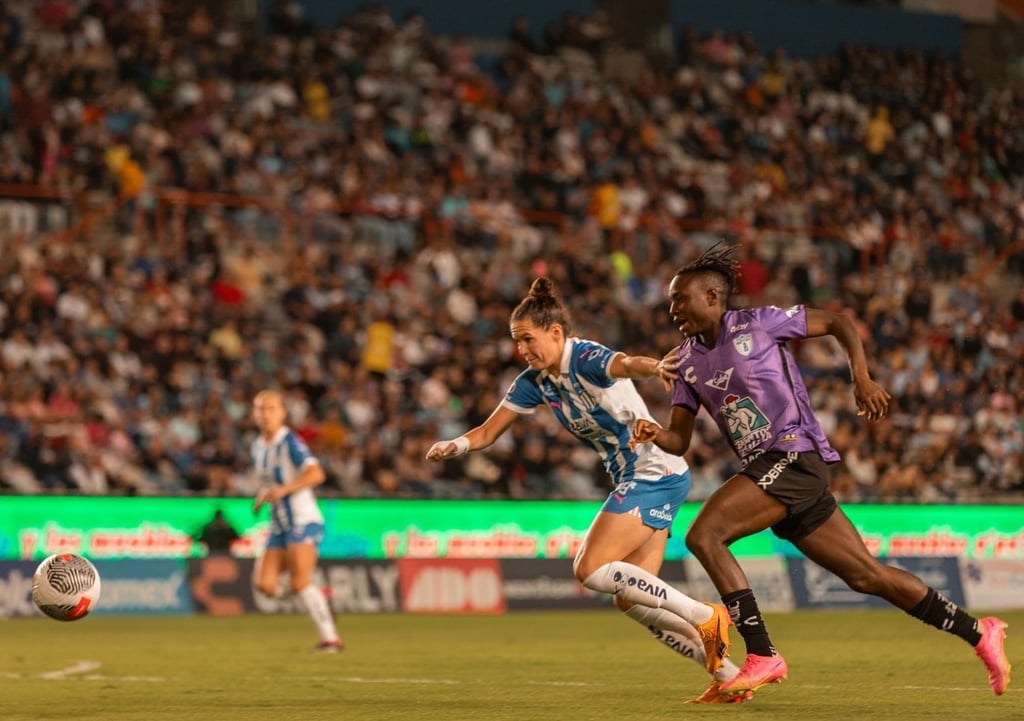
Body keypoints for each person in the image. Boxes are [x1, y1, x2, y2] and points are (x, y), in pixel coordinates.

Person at [632, 243, 1011, 698]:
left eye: (680, 299)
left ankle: (762, 653)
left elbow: (839, 323)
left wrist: (861, 378)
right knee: (867, 576)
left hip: (793, 454)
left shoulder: (758, 323)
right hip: (775, 473)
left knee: (704, 536)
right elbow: (679, 439)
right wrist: (653, 432)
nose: (672, 309)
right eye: (670, 301)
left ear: (712, 297)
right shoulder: (684, 362)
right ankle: (980, 632)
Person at [426, 277, 744, 704]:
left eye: (527, 339)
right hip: (647, 477)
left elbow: (626, 364)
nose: (522, 349)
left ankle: (706, 615)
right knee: (633, 600)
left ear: (556, 332)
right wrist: (455, 446)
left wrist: (655, 368)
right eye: (517, 341)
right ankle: (729, 675)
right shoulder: (536, 381)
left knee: (589, 568)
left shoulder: (584, 356)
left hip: (652, 472)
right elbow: (487, 432)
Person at [251, 389, 343, 653]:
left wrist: (284, 490)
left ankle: (331, 639)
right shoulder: (258, 445)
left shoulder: (289, 441)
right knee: (265, 585)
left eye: (271, 408)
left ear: (283, 413)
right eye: (260, 408)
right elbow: (269, 481)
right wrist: (262, 495)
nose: (265, 414)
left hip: (303, 519)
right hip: (279, 524)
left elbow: (316, 474)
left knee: (300, 581)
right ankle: (320, 597)